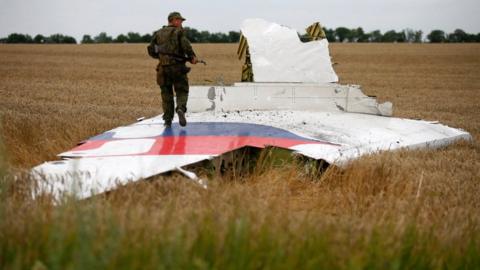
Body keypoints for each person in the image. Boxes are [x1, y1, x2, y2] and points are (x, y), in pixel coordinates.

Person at [149, 11, 197, 128]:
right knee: (182, 90)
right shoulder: (178, 32)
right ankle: (180, 109)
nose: (181, 23)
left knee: (166, 95)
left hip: (163, 69)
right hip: (177, 68)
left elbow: (151, 50)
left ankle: (167, 120)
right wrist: (192, 57)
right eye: (180, 20)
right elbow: (186, 46)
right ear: (174, 20)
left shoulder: (158, 33)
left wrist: (161, 58)